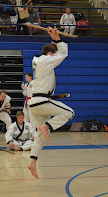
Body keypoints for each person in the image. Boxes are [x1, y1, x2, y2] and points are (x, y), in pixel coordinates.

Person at [27, 27, 75, 178]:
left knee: (40, 136)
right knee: (69, 113)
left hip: (35, 104)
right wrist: (58, 40)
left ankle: (32, 162)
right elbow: (63, 54)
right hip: (41, 101)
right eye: (52, 55)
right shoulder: (46, 60)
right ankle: (46, 126)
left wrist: (54, 38)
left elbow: (56, 52)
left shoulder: (40, 61)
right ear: (49, 54)